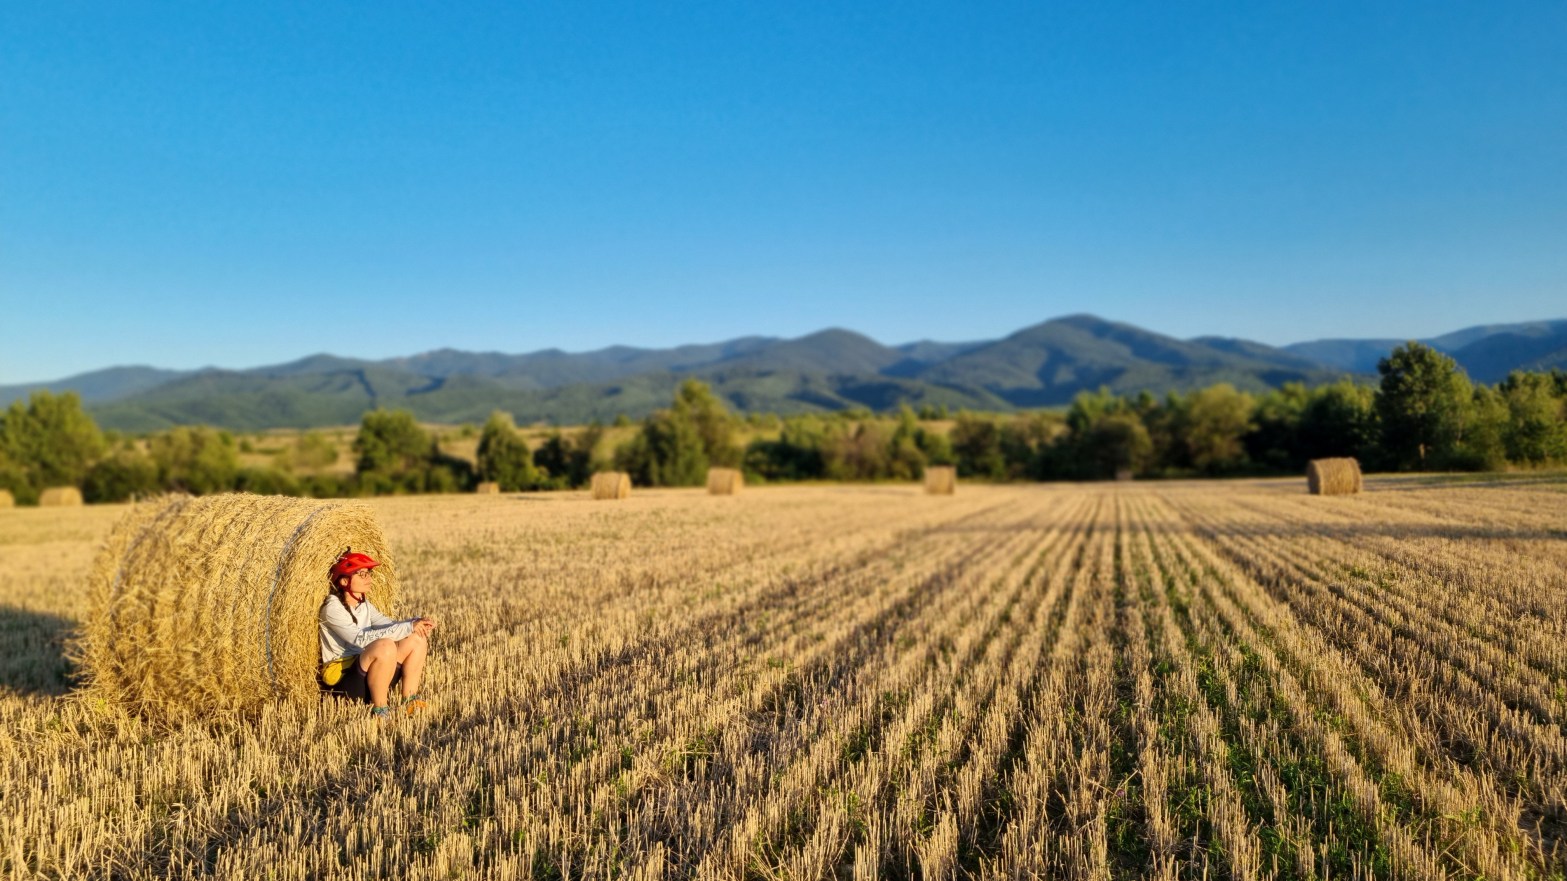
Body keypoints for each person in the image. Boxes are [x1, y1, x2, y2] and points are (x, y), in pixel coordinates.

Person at [319, 550, 437, 719]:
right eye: (362, 574)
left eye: (369, 574)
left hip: (372, 675)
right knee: (385, 645)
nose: (369, 579)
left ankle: (410, 700)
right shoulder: (332, 609)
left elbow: (389, 624)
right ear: (345, 581)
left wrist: (415, 623)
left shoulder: (364, 604)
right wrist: (408, 627)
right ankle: (380, 711)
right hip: (346, 686)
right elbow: (360, 640)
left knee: (416, 638)